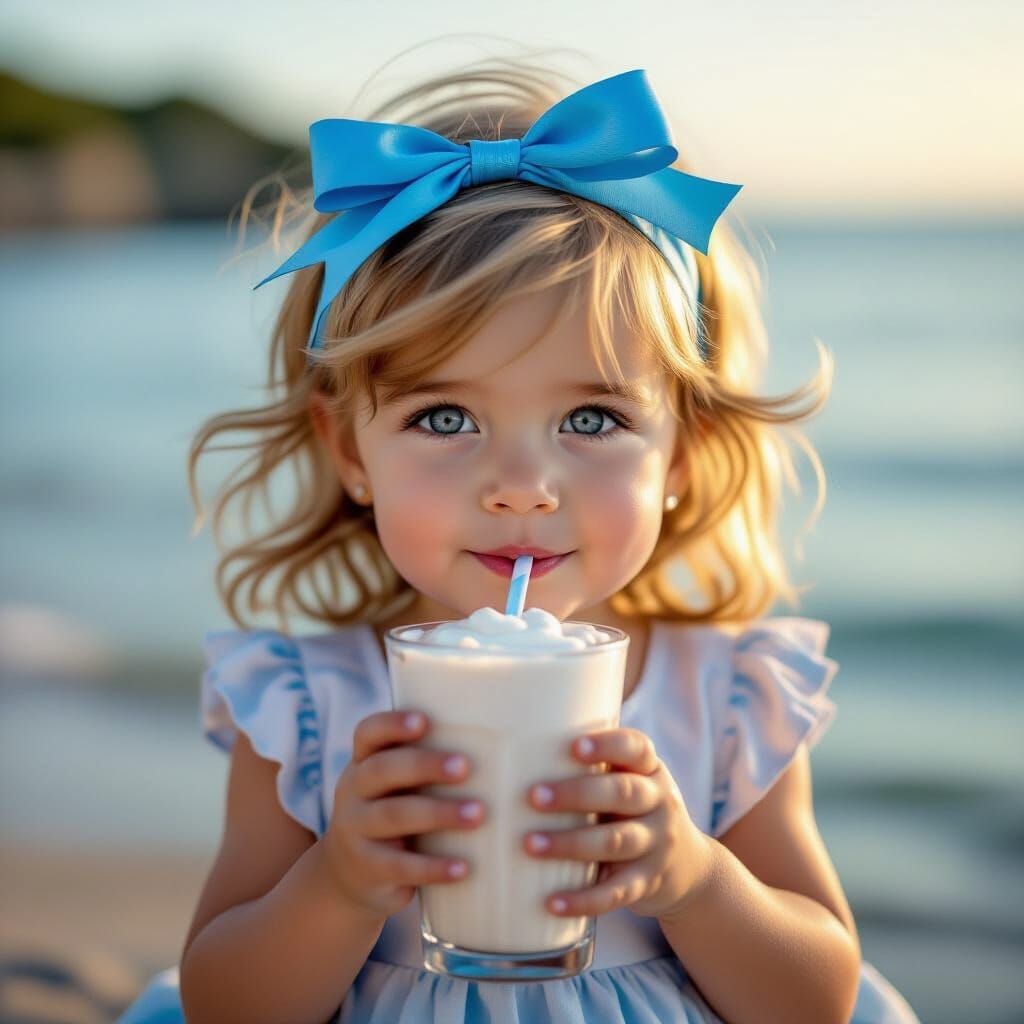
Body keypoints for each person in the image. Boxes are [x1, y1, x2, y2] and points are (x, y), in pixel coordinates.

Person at [117, 57, 921, 1024]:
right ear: (349, 452)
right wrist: (337, 884)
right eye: (446, 419)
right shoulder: (307, 708)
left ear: (681, 455)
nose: (521, 489)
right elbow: (227, 1006)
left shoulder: (729, 700)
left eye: (591, 421)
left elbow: (816, 1001)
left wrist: (695, 879)